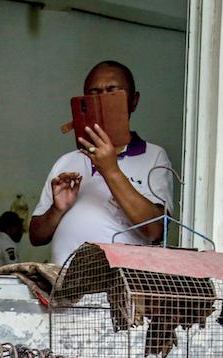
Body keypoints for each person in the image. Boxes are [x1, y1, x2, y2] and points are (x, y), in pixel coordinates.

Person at [29, 60, 175, 266]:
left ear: (134, 101)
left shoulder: (154, 156)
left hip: (118, 291)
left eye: (112, 92)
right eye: (94, 93)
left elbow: (156, 231)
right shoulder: (67, 161)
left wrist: (111, 170)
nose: (102, 100)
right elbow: (36, 237)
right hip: (63, 287)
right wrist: (57, 209)